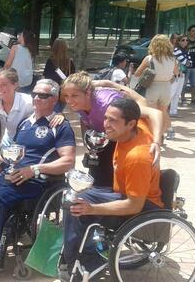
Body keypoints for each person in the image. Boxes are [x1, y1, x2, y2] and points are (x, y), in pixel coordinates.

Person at [0, 79, 76, 275]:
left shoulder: (60, 126)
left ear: (54, 99)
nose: (36, 98)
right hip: (13, 175)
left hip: (38, 181)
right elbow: (10, 155)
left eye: (43, 95)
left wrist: (34, 170)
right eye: (35, 93)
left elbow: (68, 162)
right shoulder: (25, 123)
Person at [62, 98, 163, 276]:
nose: (106, 124)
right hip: (124, 194)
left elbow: (134, 205)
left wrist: (92, 209)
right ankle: (73, 256)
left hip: (142, 206)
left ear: (131, 123)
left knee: (78, 208)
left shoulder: (137, 157)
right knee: (73, 197)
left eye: (113, 120)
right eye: (106, 118)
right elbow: (148, 108)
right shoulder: (135, 129)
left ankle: (83, 265)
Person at [61, 72, 163, 188]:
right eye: (66, 96)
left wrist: (156, 142)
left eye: (74, 95)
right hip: (108, 137)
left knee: (119, 183)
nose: (69, 101)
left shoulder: (108, 104)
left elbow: (154, 113)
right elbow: (84, 118)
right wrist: (88, 142)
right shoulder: (79, 104)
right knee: (97, 181)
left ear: (88, 93)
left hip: (127, 138)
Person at [0, 68, 64, 175]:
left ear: (15, 85)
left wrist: (59, 114)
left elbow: (48, 109)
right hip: (9, 139)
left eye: (4, 84)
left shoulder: (28, 102)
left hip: (27, 140)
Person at [134, 35, 178, 141]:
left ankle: (153, 136)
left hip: (153, 87)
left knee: (152, 114)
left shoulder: (149, 59)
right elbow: (176, 73)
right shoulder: (172, 59)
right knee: (163, 112)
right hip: (166, 88)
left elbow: (137, 73)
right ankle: (161, 134)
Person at [4, 28, 35, 93]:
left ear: (24, 37)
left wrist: (4, 74)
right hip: (28, 80)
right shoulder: (31, 50)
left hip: (16, 80)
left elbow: (8, 64)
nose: (19, 35)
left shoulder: (15, 47)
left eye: (21, 34)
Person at [170, 35, 192, 121]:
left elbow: (190, 63)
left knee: (177, 93)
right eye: (183, 40)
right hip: (175, 74)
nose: (185, 42)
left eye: (186, 40)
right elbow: (185, 62)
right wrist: (184, 63)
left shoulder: (186, 51)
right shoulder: (176, 50)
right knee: (172, 93)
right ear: (178, 41)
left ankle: (173, 112)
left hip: (182, 73)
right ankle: (166, 111)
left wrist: (184, 63)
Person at [185, 25, 195, 105]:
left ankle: (193, 99)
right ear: (189, 31)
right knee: (183, 83)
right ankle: (182, 97)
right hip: (187, 65)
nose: (194, 32)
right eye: (193, 31)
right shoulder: (185, 40)